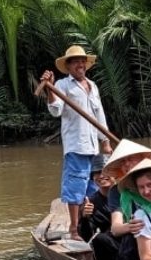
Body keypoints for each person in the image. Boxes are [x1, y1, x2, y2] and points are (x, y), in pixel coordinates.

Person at [40, 45, 110, 241]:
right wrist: (50, 89)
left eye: (83, 61)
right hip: (76, 145)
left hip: (94, 144)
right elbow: (55, 110)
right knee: (75, 186)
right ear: (69, 66)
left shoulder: (92, 85)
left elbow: (99, 115)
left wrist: (105, 141)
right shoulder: (62, 85)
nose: (80, 64)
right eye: (76, 61)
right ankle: (73, 229)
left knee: (95, 186)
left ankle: (88, 225)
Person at [89, 139, 151, 260]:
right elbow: (115, 228)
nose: (127, 164)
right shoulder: (117, 191)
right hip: (136, 237)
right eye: (123, 161)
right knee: (102, 240)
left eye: (131, 159)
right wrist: (133, 226)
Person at [77, 154, 113, 243]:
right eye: (96, 173)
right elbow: (86, 237)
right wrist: (85, 217)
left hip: (132, 238)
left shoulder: (127, 194)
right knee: (99, 240)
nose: (101, 176)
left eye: (105, 171)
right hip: (112, 242)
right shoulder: (91, 202)